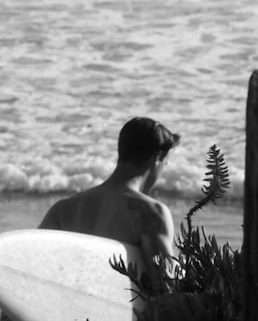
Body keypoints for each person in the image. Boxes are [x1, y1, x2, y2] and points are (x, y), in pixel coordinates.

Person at [39, 117, 180, 288]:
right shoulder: (149, 212)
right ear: (157, 158)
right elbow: (166, 287)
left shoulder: (62, 210)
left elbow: (29, 271)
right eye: (165, 163)